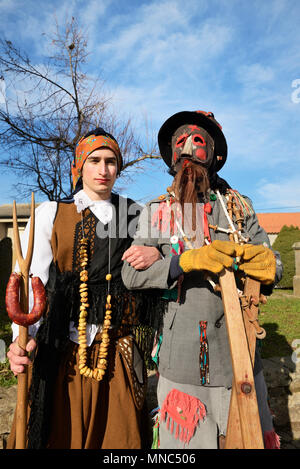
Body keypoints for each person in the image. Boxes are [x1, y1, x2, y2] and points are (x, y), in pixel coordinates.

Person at [122, 110, 283, 449]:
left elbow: (274, 265)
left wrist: (256, 262)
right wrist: (180, 261)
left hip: (241, 354)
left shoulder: (238, 207)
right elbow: (130, 274)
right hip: (183, 362)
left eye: (199, 142)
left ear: (214, 155)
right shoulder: (156, 211)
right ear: (171, 155)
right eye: (181, 142)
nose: (189, 150)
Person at [6, 127, 163, 449]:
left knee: (121, 441)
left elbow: (169, 256)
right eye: (94, 160)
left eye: (111, 161)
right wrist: (20, 340)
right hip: (62, 350)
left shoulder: (137, 215)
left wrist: (158, 251)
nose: (103, 170)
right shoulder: (52, 214)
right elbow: (30, 285)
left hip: (116, 351)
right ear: (79, 166)